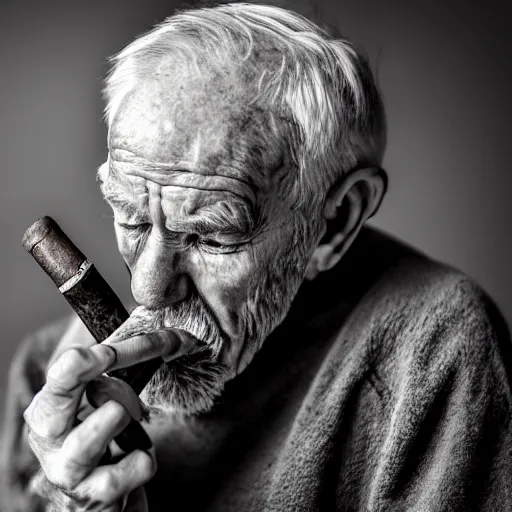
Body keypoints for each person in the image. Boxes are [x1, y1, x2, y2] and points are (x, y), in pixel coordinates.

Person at [1, 3, 511, 511]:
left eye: (211, 237)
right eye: (132, 217)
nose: (147, 289)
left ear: (335, 222)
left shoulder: (432, 354)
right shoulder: (49, 381)